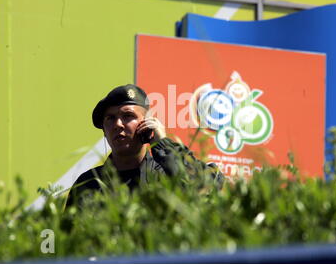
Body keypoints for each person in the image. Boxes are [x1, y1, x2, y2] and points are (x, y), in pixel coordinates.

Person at [65, 84, 224, 208]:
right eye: (110, 118)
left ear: (147, 123)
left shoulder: (165, 176)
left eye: (128, 116)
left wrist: (162, 143)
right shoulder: (88, 183)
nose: (118, 124)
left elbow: (209, 185)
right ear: (105, 131)